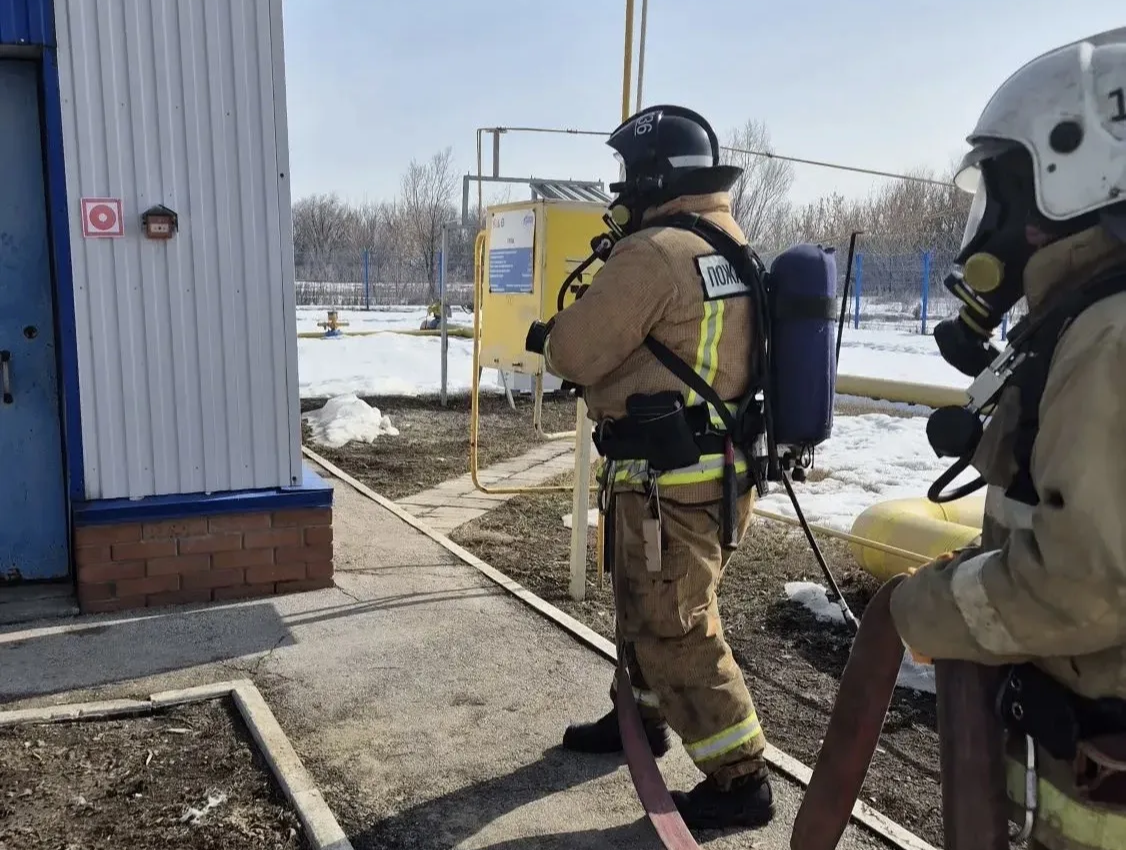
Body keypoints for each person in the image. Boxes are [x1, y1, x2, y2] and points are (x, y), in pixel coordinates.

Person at [889, 27, 1126, 850]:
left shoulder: (1108, 338)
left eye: (1002, 188)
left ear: (1068, 176)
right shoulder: (1090, 325)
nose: (990, 220)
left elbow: (1088, 584)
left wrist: (924, 607)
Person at [523, 104, 774, 830]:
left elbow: (576, 351)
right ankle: (637, 721)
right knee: (649, 607)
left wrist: (551, 337)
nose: (620, 189)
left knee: (676, 623)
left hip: (672, 481)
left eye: (628, 175)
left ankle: (741, 779)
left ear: (654, 175)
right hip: (714, 469)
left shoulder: (654, 253)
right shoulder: (728, 242)